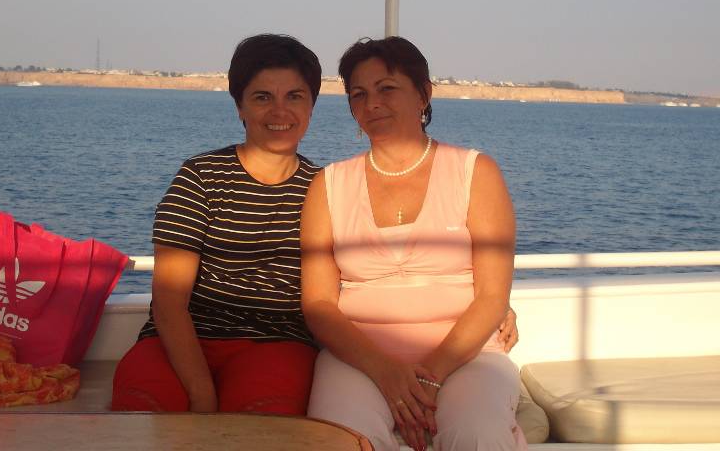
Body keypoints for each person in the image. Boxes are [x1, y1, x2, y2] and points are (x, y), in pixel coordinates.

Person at [111, 33, 519, 418]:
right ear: (240, 107)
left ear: (311, 106)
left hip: (277, 343)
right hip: (183, 341)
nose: (279, 111)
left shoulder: (323, 188)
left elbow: (368, 272)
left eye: (294, 96)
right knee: (144, 412)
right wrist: (201, 394)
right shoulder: (201, 177)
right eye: (262, 97)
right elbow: (169, 300)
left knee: (263, 424)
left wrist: (495, 302)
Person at [301, 37, 527, 450]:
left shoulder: (475, 173)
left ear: (423, 94)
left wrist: (430, 377)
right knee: (340, 441)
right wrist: (385, 372)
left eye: (386, 88)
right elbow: (318, 304)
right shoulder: (327, 186)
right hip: (358, 360)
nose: (372, 104)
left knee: (477, 435)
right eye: (358, 94)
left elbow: (493, 296)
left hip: (468, 356)